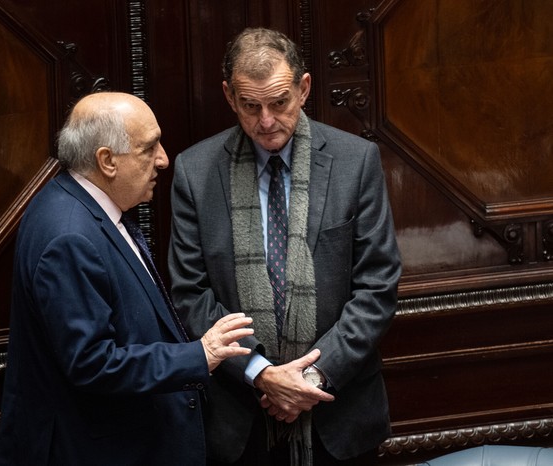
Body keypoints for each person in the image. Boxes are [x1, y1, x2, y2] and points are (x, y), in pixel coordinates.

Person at [168, 28, 402, 466]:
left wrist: (308, 379)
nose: (267, 121)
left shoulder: (357, 162)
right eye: (251, 106)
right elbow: (190, 294)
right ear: (229, 96)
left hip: (340, 413)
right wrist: (262, 375)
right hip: (241, 420)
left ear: (304, 88)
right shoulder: (194, 173)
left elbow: (377, 288)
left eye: (280, 102)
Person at [0, 91, 254, 466]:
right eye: (149, 148)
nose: (164, 160)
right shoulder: (70, 235)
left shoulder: (75, 203)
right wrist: (200, 355)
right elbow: (93, 363)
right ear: (107, 161)